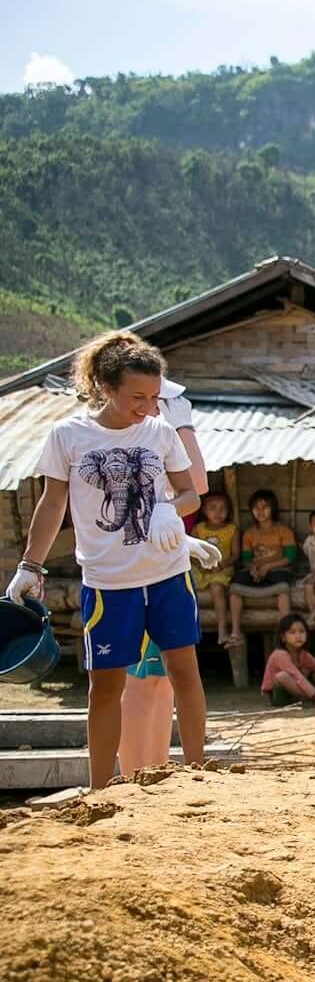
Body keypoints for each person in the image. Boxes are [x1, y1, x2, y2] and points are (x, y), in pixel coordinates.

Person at [7, 331, 210, 789]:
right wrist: (30, 565)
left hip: (166, 575)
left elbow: (189, 491)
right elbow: (51, 504)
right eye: (137, 396)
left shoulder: (159, 432)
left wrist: (167, 509)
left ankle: (200, 777)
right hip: (108, 582)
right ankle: (102, 788)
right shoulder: (69, 437)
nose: (147, 405)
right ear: (105, 386)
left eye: (154, 396)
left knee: (185, 672)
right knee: (105, 687)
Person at [120, 376, 216, 777]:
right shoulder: (120, 438)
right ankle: (129, 775)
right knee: (137, 679)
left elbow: (194, 487)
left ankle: (156, 770)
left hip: (168, 566)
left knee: (162, 679)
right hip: (130, 574)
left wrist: (182, 541)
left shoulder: (161, 438)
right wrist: (183, 428)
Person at [228, 489, 298, 634]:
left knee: (283, 588)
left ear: (273, 508)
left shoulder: (283, 531)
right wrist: (253, 568)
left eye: (265, 507)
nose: (260, 511)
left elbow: (289, 557)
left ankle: (284, 631)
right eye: (256, 508)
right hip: (256, 570)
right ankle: (235, 631)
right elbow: (246, 559)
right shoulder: (249, 533)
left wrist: (268, 566)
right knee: (234, 586)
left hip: (279, 569)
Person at [261, 613, 315, 705]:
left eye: (302, 631)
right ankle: (311, 698)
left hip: (296, 691)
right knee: (282, 676)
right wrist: (313, 693)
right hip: (278, 696)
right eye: (292, 632)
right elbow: (296, 675)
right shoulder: (280, 655)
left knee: (312, 667)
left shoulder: (303, 654)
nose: (298, 636)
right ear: (283, 637)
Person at [192, 491, 239, 647]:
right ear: (204, 510)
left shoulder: (232, 530)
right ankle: (191, 627)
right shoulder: (198, 529)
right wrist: (199, 564)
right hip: (200, 568)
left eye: (222, 509)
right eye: (212, 508)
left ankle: (222, 629)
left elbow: (235, 555)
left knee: (217, 588)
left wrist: (221, 564)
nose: (218, 513)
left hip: (222, 568)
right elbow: (190, 552)